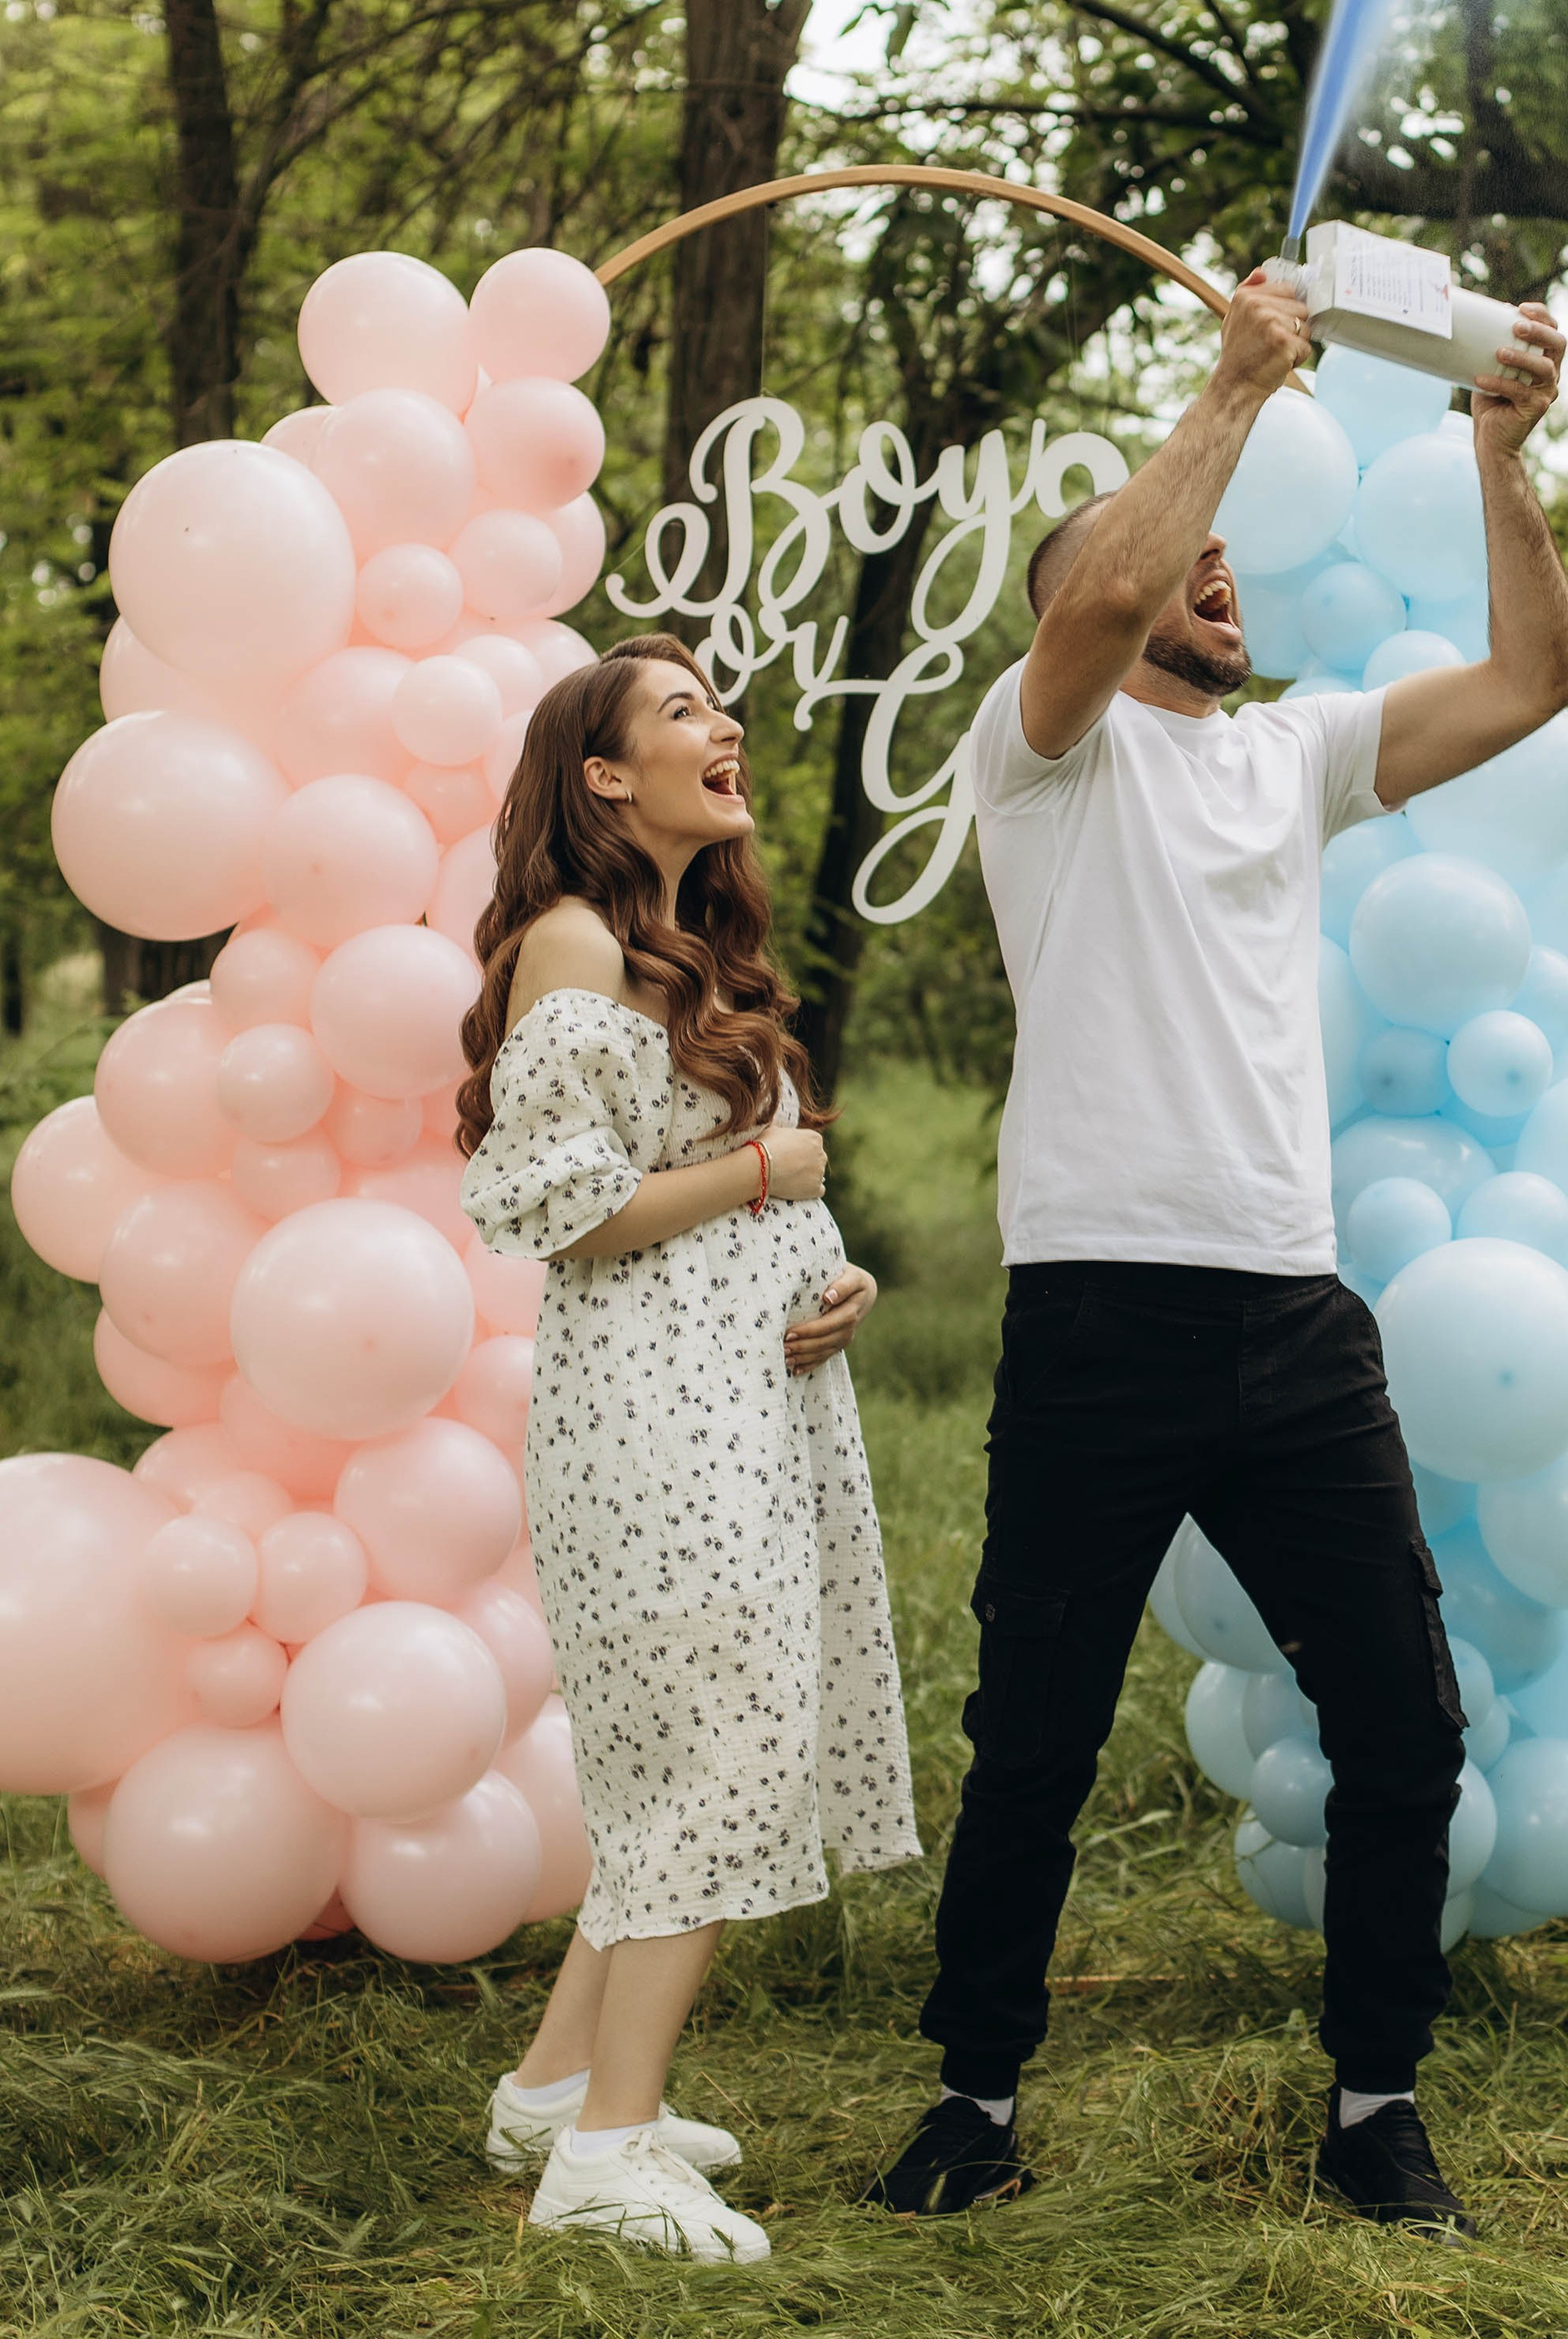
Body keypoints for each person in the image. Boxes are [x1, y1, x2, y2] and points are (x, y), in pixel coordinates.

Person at [862, 270, 1568, 2233]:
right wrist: (1232, 392)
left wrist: (1499, 458)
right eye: (1188, 561)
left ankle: (1370, 2105)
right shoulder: (1039, 757)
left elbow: (1529, 685)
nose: (1221, 582)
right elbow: (1094, 600)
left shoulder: (1293, 757)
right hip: (1095, 1316)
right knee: (1038, 1737)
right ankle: (974, 2098)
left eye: (1229, 567)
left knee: (1405, 1727)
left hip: (1293, 1319)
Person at [457, 632, 919, 2267]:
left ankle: (558, 2085)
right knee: (719, 1762)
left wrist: (823, 1272)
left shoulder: (685, 946)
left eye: (719, 708)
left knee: (674, 1769)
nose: (724, 728)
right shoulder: (575, 945)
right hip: (652, 1430)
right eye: (680, 713)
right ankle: (604, 2159)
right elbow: (552, 1206)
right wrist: (766, 1185)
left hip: (735, 1403)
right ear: (601, 775)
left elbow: (742, 1179)